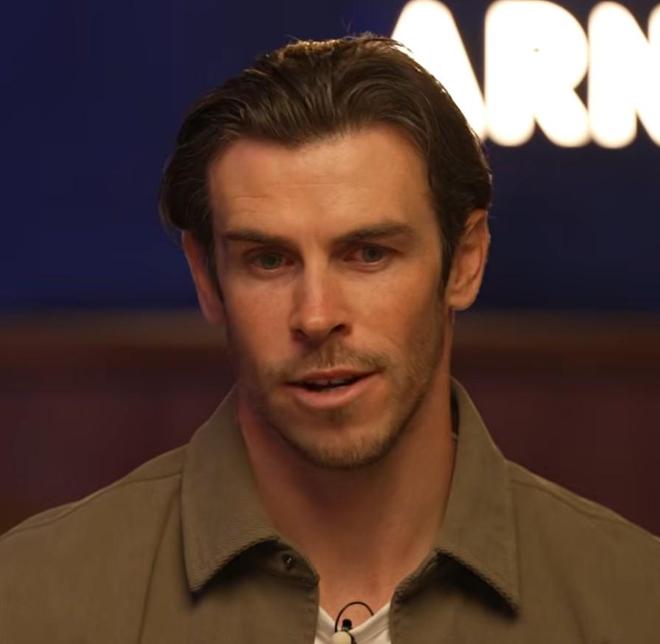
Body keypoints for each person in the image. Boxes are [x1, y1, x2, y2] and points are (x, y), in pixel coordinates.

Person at [1, 35, 659, 643]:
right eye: (268, 260)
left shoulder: (634, 601)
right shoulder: (31, 600)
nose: (316, 316)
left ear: (465, 261)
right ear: (207, 278)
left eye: (368, 253)